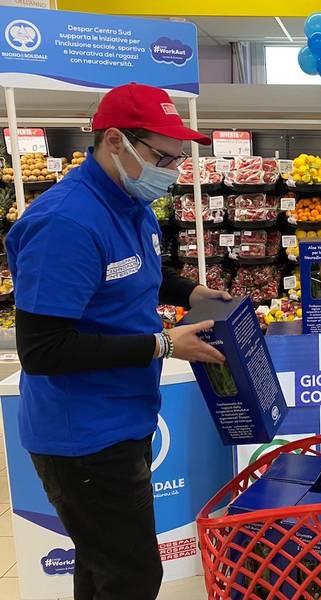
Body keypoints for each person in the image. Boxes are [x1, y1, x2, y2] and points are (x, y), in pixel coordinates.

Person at [6, 83, 230, 600]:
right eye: (163, 157)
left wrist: (188, 288)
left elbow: (135, 271)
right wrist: (163, 345)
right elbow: (43, 351)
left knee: (103, 565)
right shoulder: (65, 223)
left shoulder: (132, 204)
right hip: (81, 436)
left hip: (122, 416)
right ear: (114, 141)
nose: (171, 172)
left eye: (178, 160)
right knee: (131, 577)